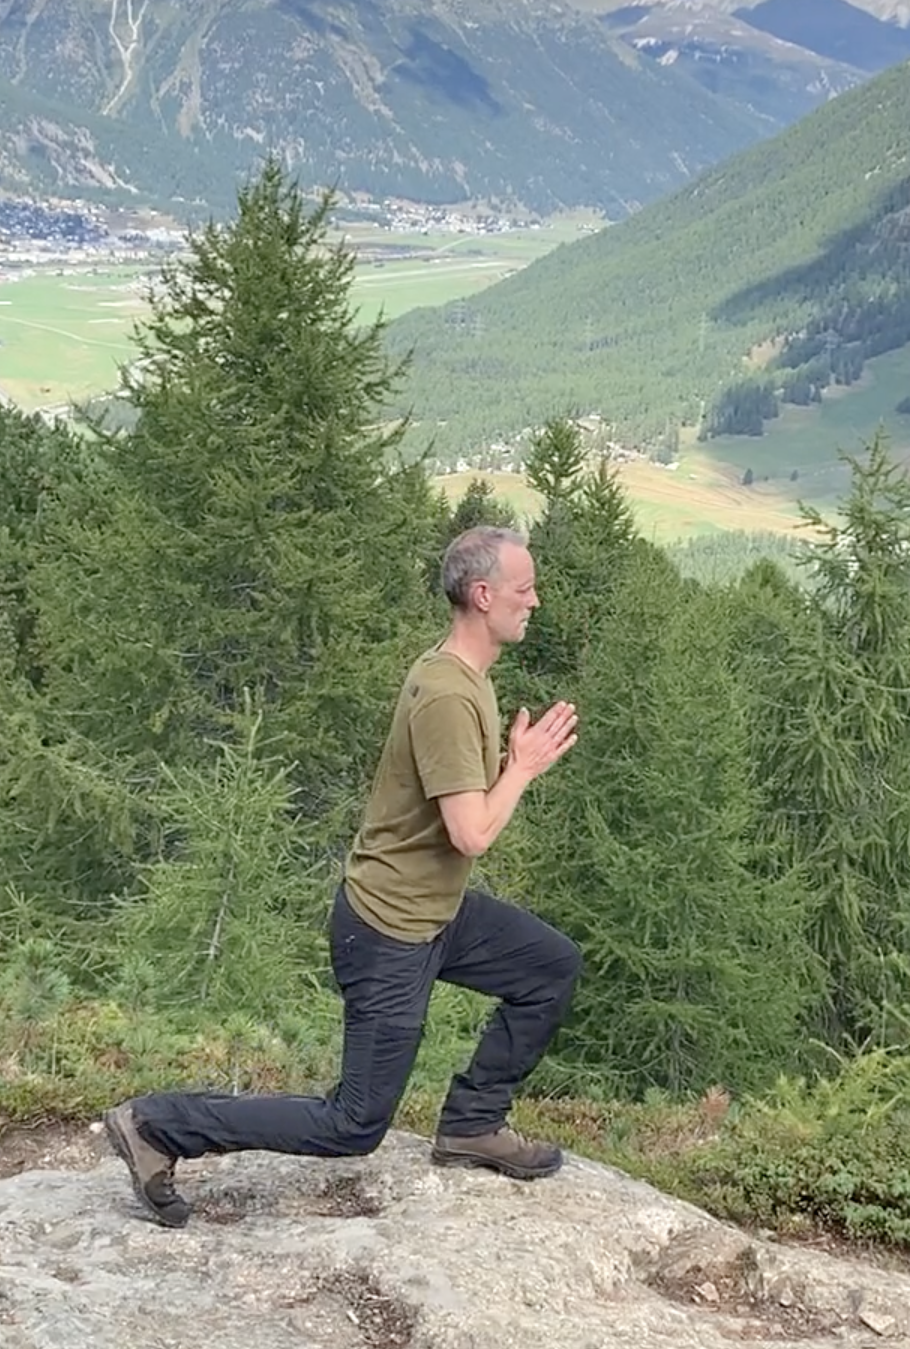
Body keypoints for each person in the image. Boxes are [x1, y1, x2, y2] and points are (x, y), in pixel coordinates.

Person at [102, 525, 585, 1226]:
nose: (535, 600)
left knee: (549, 966)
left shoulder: (465, 678)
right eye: (524, 588)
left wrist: (508, 762)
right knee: (353, 1125)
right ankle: (157, 1124)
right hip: (390, 929)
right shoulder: (448, 694)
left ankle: (473, 1123)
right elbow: (471, 832)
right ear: (482, 596)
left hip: (434, 914)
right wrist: (522, 769)